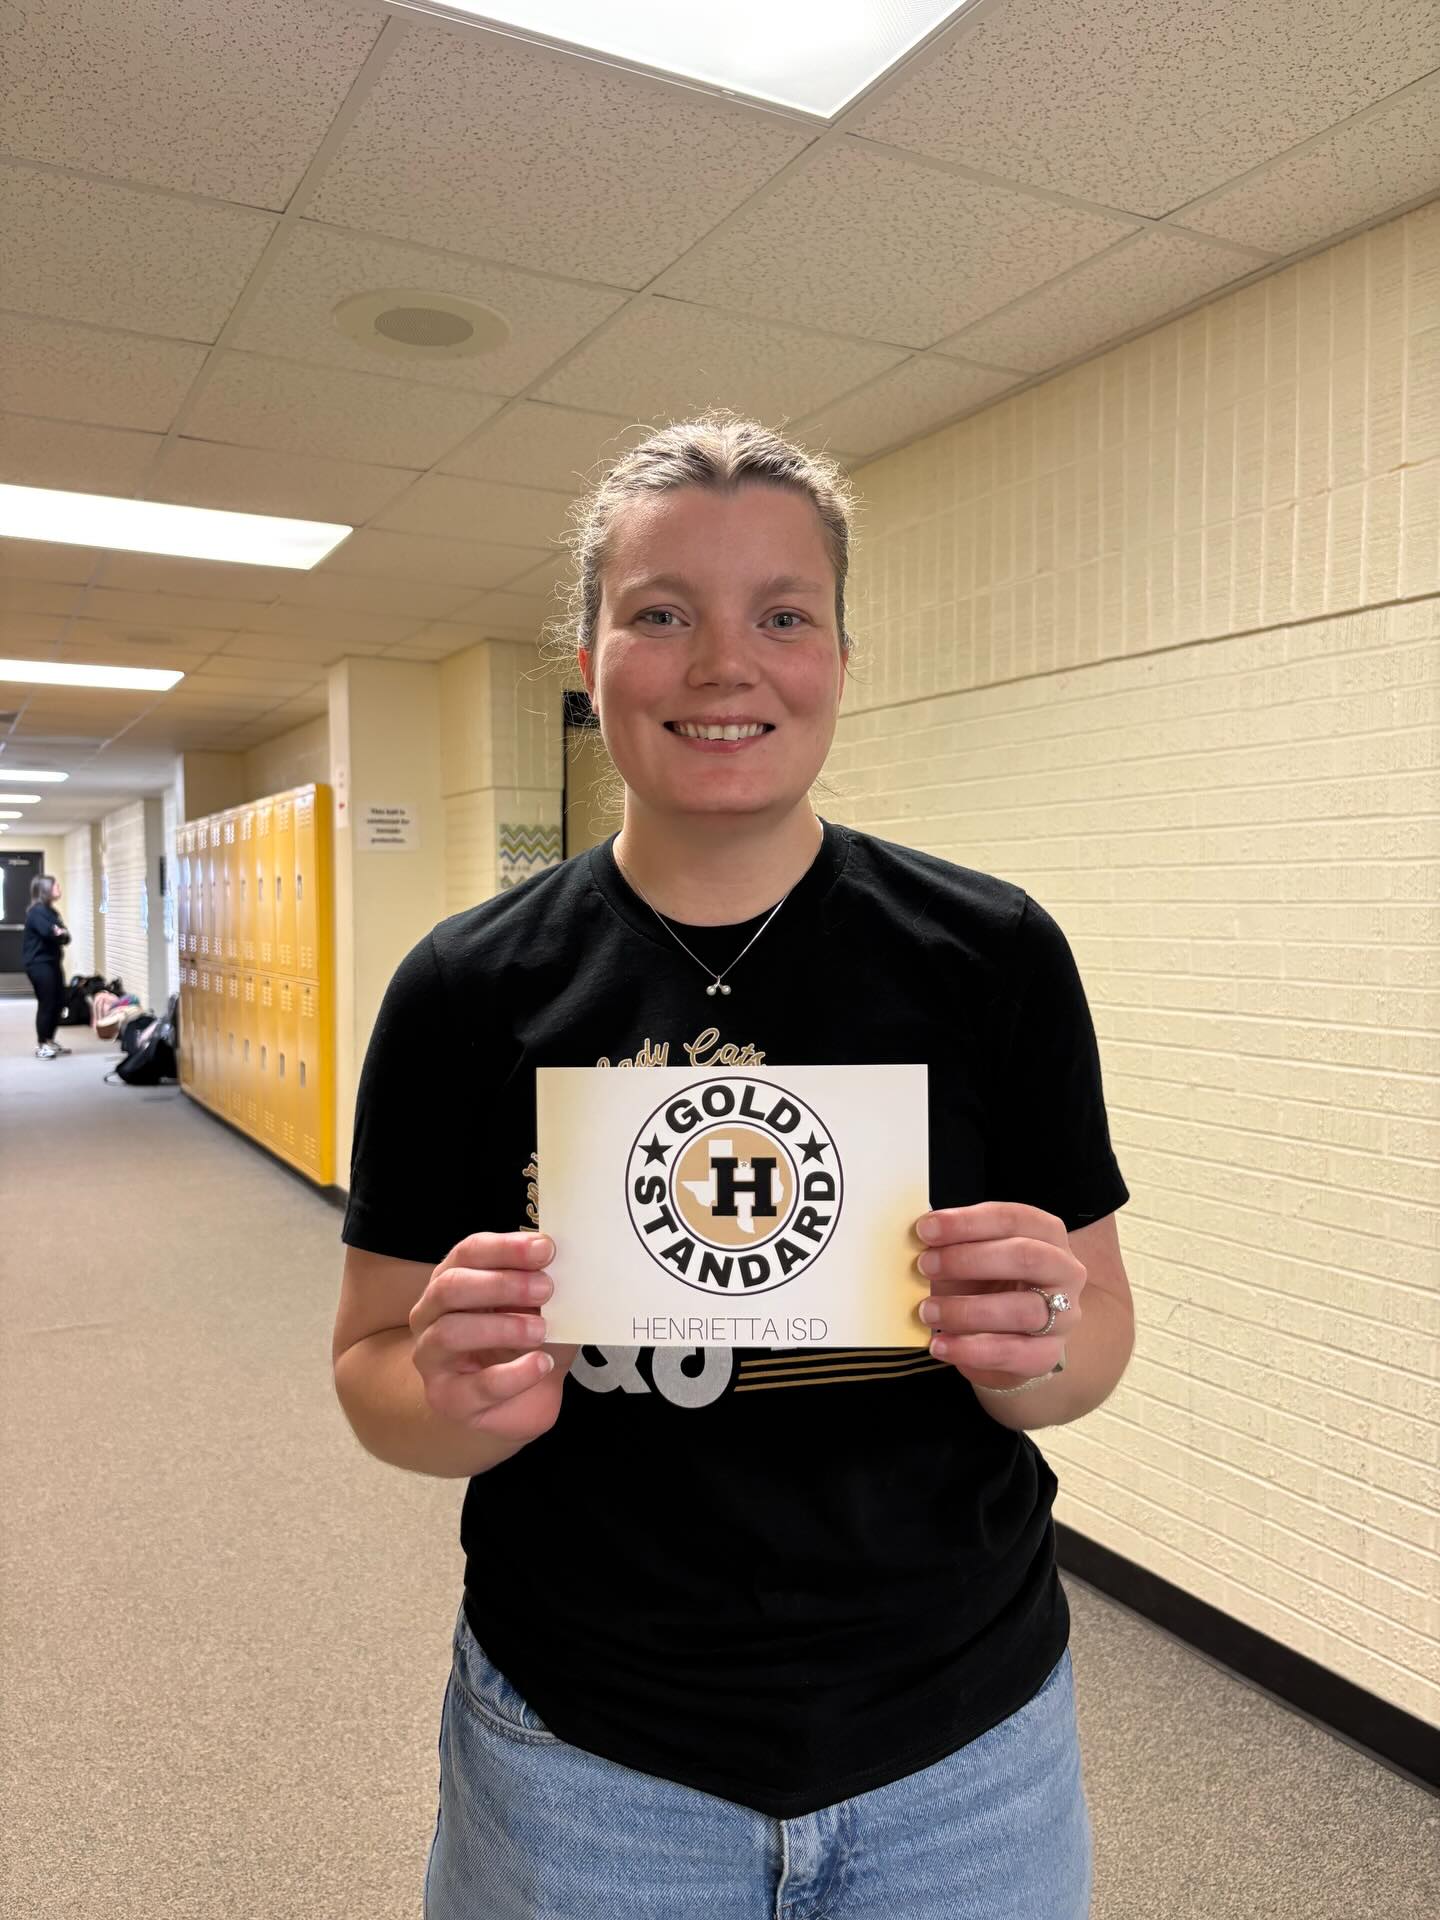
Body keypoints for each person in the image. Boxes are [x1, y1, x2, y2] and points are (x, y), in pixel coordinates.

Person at [332, 413, 1135, 1919]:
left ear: (839, 655)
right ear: (589, 660)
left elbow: (1092, 1346)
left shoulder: (994, 957)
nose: (723, 665)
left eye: (783, 615)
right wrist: (448, 1397)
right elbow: (374, 1370)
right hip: (585, 1756)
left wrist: (1033, 1345)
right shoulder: (464, 988)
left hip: (962, 1746)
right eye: (659, 615)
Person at [23, 875, 72, 1060]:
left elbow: (66, 937)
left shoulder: (51, 912)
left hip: (52, 962)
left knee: (59, 1001)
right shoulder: (37, 912)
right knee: (47, 1003)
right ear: (45, 890)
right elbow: (50, 933)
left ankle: (50, 1039)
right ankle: (42, 1044)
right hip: (39, 964)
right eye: (55, 885)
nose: (59, 887)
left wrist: (60, 933)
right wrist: (59, 933)